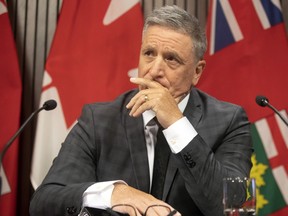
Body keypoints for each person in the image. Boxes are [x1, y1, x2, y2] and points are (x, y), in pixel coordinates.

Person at [30, 5, 253, 216]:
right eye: (148, 53)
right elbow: (45, 201)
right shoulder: (99, 121)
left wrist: (176, 124)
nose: (154, 70)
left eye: (171, 59)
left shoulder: (229, 121)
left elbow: (232, 207)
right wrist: (116, 193)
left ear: (196, 71)